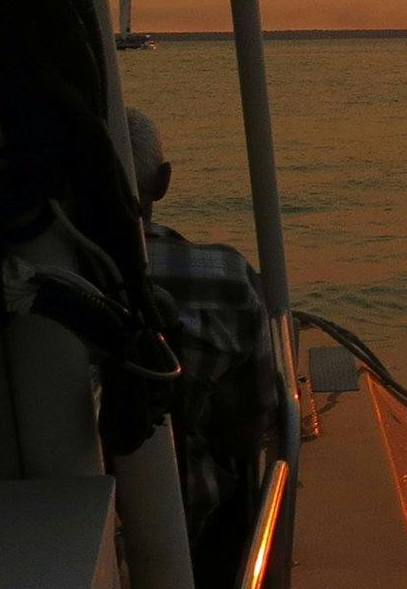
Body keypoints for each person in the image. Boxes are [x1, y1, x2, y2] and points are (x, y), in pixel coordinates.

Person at [127, 108, 281, 582]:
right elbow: (246, 429)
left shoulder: (17, 285)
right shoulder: (223, 279)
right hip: (183, 530)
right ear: (163, 182)